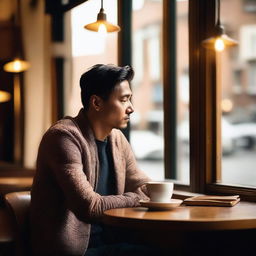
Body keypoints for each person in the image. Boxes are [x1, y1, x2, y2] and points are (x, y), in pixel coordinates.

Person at [29, 64, 156, 256]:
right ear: (96, 103)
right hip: (72, 250)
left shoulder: (117, 139)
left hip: (112, 240)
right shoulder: (63, 137)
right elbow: (89, 206)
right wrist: (137, 198)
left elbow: (140, 183)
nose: (131, 108)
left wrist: (158, 194)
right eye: (124, 100)